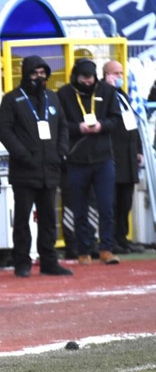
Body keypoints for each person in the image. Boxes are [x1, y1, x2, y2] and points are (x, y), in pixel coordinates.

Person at [0, 55, 73, 277]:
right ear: (26, 74)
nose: (39, 77)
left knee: (49, 219)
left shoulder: (52, 97)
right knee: (23, 219)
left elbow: (63, 126)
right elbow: (3, 130)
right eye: (34, 73)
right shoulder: (12, 99)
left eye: (42, 73)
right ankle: (22, 262)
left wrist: (61, 151)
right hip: (25, 170)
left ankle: (49, 261)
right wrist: (22, 154)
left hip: (50, 169)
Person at [58, 58, 122, 266]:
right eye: (83, 78)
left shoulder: (107, 91)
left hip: (103, 158)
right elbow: (60, 124)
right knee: (79, 208)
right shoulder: (65, 94)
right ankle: (83, 250)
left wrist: (101, 126)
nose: (87, 82)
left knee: (106, 205)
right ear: (76, 77)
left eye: (90, 78)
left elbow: (116, 119)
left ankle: (106, 248)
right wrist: (78, 128)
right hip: (76, 159)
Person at [102, 60, 145, 254]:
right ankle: (110, 240)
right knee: (112, 201)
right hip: (113, 155)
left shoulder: (123, 96)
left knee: (126, 201)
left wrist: (138, 149)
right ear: (106, 75)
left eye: (121, 73)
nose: (119, 77)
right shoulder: (103, 95)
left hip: (129, 156)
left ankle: (122, 237)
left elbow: (133, 124)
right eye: (115, 73)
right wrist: (108, 88)